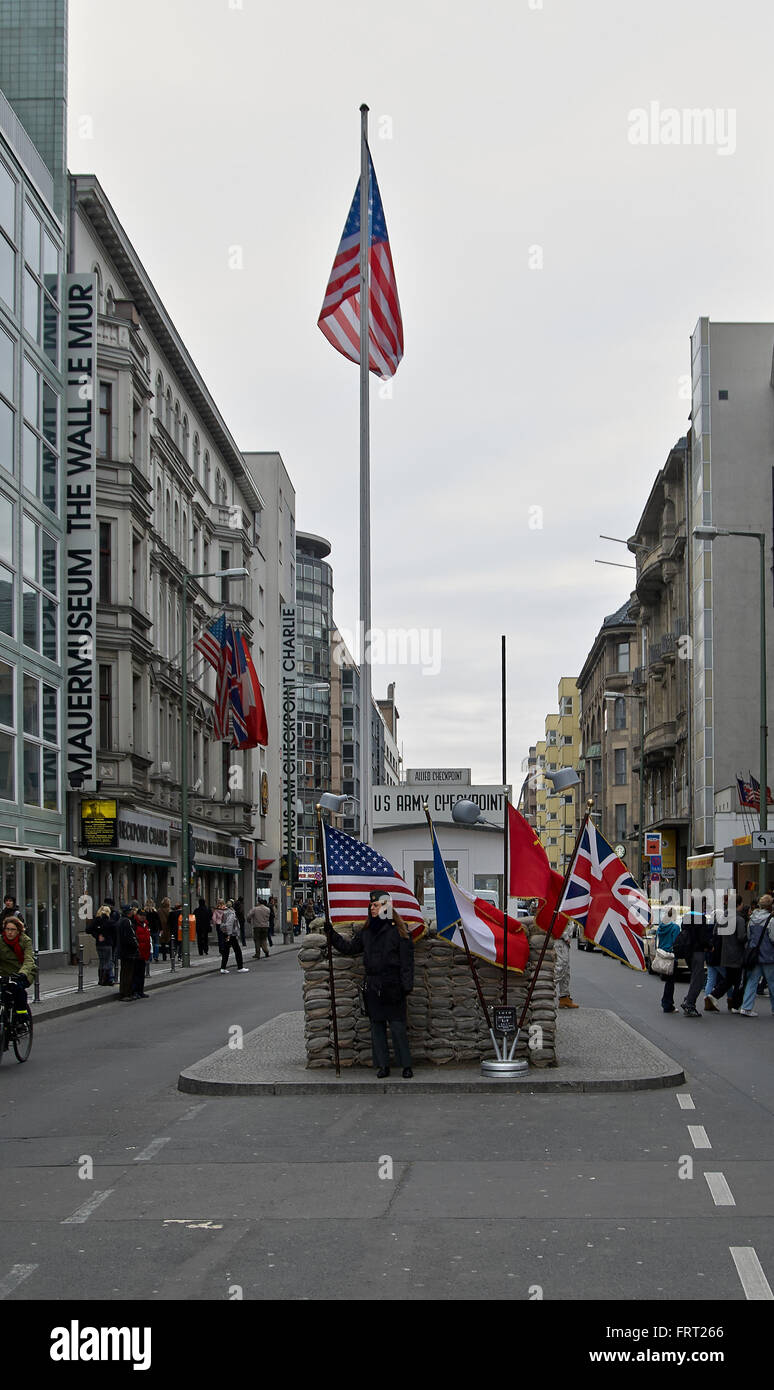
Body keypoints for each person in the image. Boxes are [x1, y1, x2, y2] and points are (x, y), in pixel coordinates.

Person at [326, 890, 414, 1078]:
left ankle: (405, 1065)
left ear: (386, 906)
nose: (372, 908)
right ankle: (383, 1065)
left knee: (398, 1027)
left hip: (393, 984)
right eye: (371, 905)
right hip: (373, 985)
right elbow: (349, 948)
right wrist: (331, 934)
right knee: (377, 1028)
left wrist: (406, 987)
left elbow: (407, 962)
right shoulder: (366, 932)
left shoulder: (399, 931)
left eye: (376, 905)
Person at [706, 893, 747, 1012]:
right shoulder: (739, 919)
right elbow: (741, 937)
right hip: (736, 954)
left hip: (724, 953)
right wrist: (747, 936)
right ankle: (733, 1004)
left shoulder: (722, 918)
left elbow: (715, 932)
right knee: (737, 980)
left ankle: (716, 996)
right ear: (738, 905)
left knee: (730, 979)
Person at [738, 894, 774, 1017]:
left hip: (754, 954)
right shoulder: (771, 919)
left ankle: (746, 1007)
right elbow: (773, 938)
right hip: (768, 955)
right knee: (772, 982)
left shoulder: (752, 919)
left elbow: (749, 936)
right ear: (770, 906)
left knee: (752, 981)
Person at [0, 915, 35, 1026]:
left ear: (18, 930)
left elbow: (29, 959)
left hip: (23, 972)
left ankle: (22, 1018)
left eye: (12, 930)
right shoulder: (0, 941)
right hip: (4, 973)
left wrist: (23, 973)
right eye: (7, 929)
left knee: (18, 989)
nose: (9, 932)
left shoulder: (25, 941)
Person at [680, 910, 714, 1017]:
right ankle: (689, 1003)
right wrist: (710, 946)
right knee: (698, 979)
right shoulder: (701, 919)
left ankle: (689, 999)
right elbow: (703, 938)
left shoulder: (686, 917)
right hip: (698, 951)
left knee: (694, 977)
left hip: (687, 951)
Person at [655, 912, 681, 1013]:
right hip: (671, 956)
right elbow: (676, 942)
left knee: (668, 981)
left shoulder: (661, 927)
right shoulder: (675, 928)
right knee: (670, 982)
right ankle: (667, 1004)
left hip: (662, 955)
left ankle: (666, 1002)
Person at [87, 904, 116, 985]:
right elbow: (114, 932)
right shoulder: (109, 921)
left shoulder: (96, 920)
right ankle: (106, 980)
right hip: (107, 944)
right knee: (108, 961)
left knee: (102, 961)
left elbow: (88, 930)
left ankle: (100, 979)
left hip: (99, 944)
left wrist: (97, 936)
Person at [116, 908, 140, 1001]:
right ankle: (126, 993)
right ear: (128, 913)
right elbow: (131, 936)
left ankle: (123, 992)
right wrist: (136, 945)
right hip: (128, 951)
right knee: (128, 973)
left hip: (123, 950)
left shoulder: (120, 921)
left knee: (124, 972)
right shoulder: (127, 922)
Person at [219, 900, 248, 973]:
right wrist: (229, 934)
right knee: (237, 950)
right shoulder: (231, 913)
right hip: (231, 934)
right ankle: (240, 967)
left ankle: (223, 968)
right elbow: (229, 924)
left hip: (226, 934)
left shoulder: (225, 912)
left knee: (226, 951)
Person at [555, 923, 579, 1009]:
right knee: (561, 968)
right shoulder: (560, 911)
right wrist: (565, 936)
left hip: (564, 942)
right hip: (559, 941)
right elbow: (556, 926)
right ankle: (548, 989)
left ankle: (564, 997)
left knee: (566, 971)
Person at [132, 912, 151, 999]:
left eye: (144, 916)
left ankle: (140, 991)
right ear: (138, 915)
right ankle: (135, 991)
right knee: (136, 973)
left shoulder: (146, 924)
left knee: (141, 973)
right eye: (141, 915)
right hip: (137, 952)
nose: (143, 917)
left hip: (144, 952)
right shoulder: (135, 924)